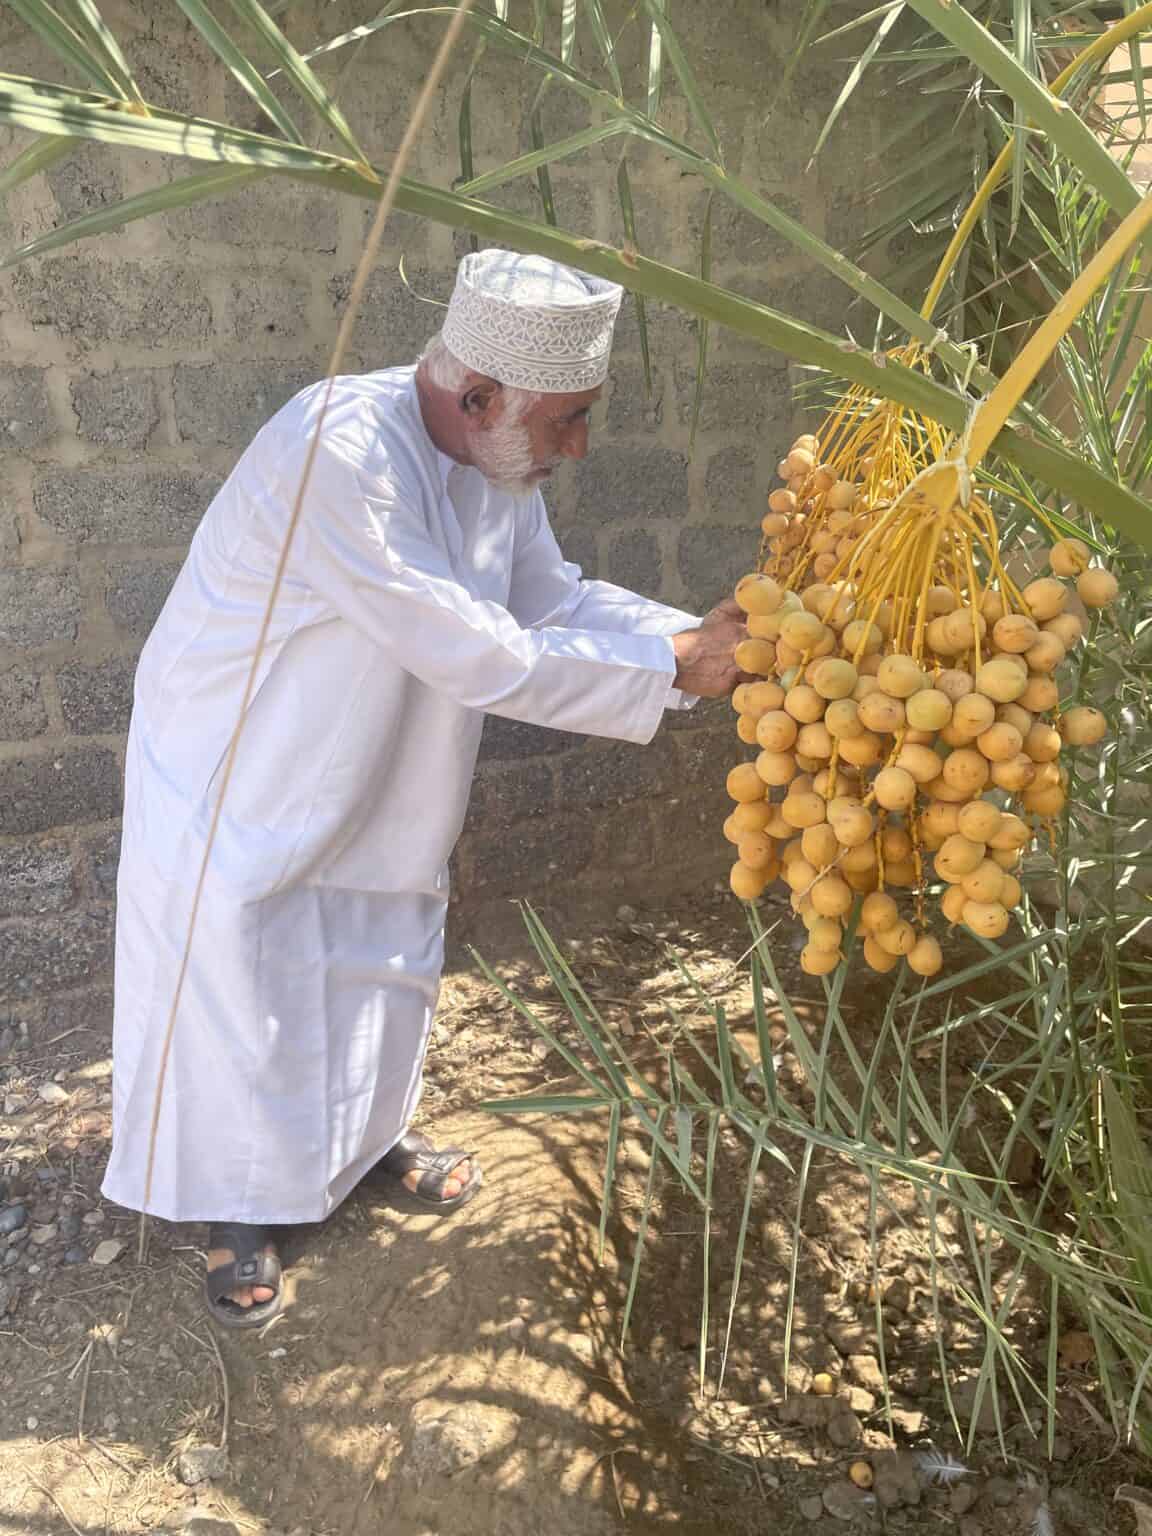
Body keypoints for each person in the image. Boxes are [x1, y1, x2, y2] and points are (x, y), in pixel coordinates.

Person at [102, 249, 747, 1329]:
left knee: (384, 936)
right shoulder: (336, 452)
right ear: (478, 394)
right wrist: (676, 669)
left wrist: (687, 637)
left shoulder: (500, 466)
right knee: (240, 970)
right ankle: (235, 1207)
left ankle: (362, 1142)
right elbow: (471, 648)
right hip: (245, 751)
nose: (579, 447)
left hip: (382, 746)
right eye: (568, 421)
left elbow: (550, 600)